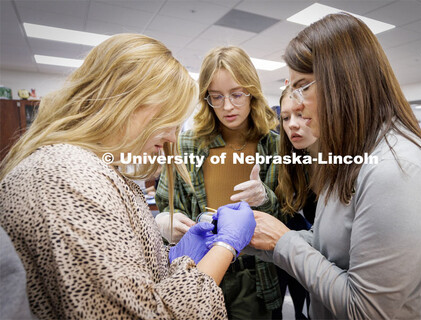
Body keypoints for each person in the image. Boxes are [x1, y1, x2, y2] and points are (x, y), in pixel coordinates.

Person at [0, 34, 257, 319]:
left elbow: (123, 286)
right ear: (125, 101)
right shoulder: (67, 179)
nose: (173, 136)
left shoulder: (87, 168)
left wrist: (168, 261)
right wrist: (224, 246)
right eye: (169, 120)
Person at [248, 13, 421, 319]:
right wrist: (256, 239)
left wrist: (284, 242)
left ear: (344, 82)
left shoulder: (397, 170)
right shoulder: (350, 154)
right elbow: (332, 251)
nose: (295, 105)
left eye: (302, 86)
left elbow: (368, 310)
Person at [155, 46, 282, 319]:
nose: (227, 106)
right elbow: (166, 203)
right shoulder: (186, 145)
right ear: (206, 98)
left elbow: (288, 218)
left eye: (237, 94)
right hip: (197, 266)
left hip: (254, 271)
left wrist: (265, 199)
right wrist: (165, 219)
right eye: (216, 97)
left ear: (252, 93)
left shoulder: (274, 144)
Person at [272, 87, 317, 319]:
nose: (292, 125)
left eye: (300, 114)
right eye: (286, 118)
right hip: (295, 249)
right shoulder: (292, 159)